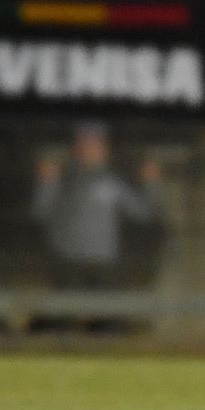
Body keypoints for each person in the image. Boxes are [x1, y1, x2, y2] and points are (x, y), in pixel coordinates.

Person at [31, 122, 164, 290]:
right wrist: (47, 183)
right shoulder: (63, 180)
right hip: (67, 263)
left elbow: (143, 214)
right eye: (85, 144)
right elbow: (40, 213)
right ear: (76, 148)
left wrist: (151, 182)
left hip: (103, 265)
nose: (90, 150)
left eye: (96, 144)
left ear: (105, 149)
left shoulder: (113, 182)